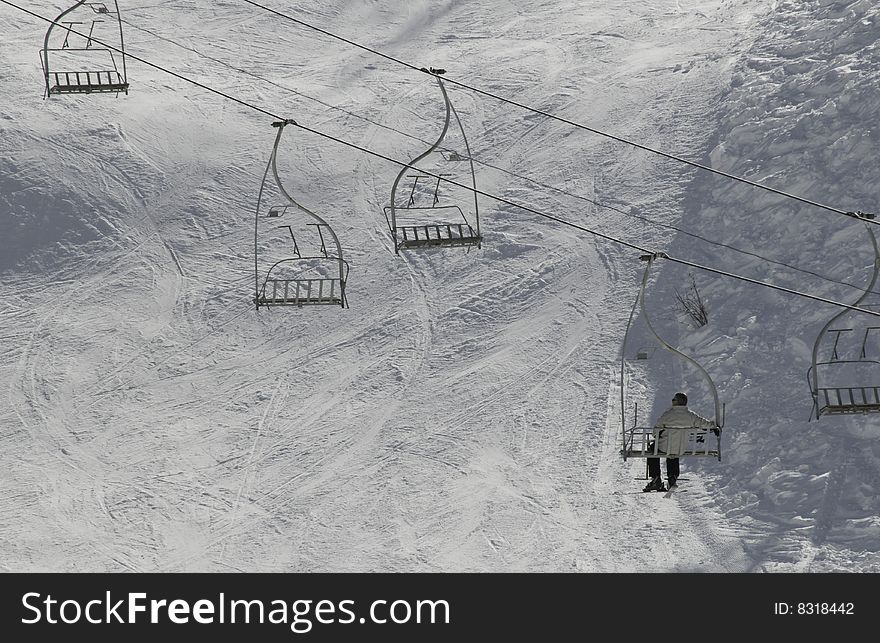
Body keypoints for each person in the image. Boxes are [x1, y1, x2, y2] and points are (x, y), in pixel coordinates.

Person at [643, 392, 719, 492]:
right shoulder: (691, 416)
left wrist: (657, 435)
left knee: (652, 449)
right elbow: (704, 423)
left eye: (673, 400)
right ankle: (672, 477)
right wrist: (714, 427)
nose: (672, 401)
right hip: (680, 447)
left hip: (664, 446)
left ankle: (656, 478)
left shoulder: (667, 415)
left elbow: (655, 431)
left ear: (677, 402)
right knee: (673, 453)